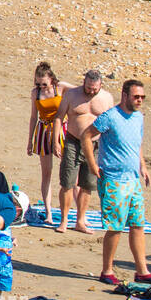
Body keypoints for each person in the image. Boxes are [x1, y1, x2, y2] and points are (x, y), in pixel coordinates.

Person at [81, 79, 151, 286]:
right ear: (124, 95)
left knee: (137, 224)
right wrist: (92, 164)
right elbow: (86, 136)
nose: (140, 100)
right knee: (115, 227)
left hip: (132, 179)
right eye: (136, 96)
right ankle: (107, 270)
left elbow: (137, 144)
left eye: (142, 97)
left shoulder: (139, 117)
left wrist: (143, 166)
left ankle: (142, 270)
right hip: (113, 180)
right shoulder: (110, 117)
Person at [54, 70, 113, 232]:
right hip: (73, 141)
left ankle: (80, 220)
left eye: (94, 88)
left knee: (88, 184)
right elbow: (59, 117)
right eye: (88, 87)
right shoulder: (72, 95)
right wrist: (56, 141)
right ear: (84, 82)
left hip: (95, 145)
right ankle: (64, 220)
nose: (91, 91)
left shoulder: (107, 98)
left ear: (101, 85)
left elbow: (110, 124)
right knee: (67, 182)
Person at [27, 62, 71, 222]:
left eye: (44, 84)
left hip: (62, 130)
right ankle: (49, 212)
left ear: (52, 79)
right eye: (38, 83)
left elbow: (79, 93)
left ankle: (75, 210)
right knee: (46, 173)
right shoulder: (36, 93)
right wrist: (30, 141)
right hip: (43, 131)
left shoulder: (61, 87)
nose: (41, 87)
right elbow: (33, 117)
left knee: (71, 172)